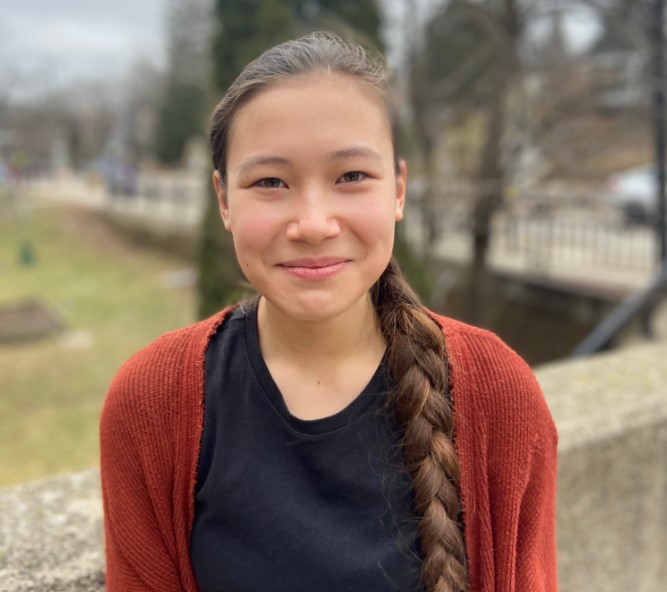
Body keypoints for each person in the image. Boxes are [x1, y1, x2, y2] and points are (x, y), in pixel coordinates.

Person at [100, 32, 557, 592]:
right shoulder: (152, 402)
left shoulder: (499, 395)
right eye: (270, 182)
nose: (313, 223)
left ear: (398, 190)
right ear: (223, 199)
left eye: (351, 177)